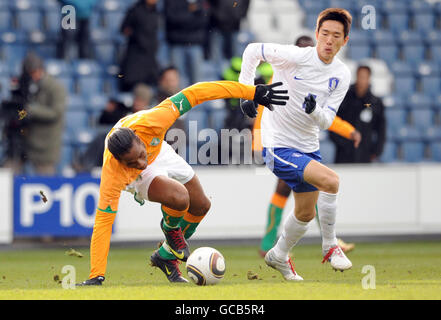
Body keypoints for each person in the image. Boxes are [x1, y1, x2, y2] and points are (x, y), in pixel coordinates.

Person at [76, 80, 289, 285]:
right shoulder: (115, 172)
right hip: (136, 177)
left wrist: (251, 92)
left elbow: (197, 92)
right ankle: (170, 230)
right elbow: (103, 222)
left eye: (140, 155)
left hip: (159, 149)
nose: (141, 163)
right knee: (179, 197)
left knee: (202, 205)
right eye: (133, 161)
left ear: (139, 138)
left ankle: (166, 255)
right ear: (122, 162)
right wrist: (97, 274)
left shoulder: (155, 120)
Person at [239, 8, 354, 280]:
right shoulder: (296, 56)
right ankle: (330, 246)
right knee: (331, 181)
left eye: (336, 36)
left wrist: (314, 111)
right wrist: (247, 92)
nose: (329, 40)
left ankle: (278, 256)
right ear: (316, 34)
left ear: (344, 41)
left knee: (303, 214)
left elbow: (327, 120)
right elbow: (252, 50)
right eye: (324, 33)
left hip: (307, 147)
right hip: (277, 146)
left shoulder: (341, 74)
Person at [257, 36, 359, 257]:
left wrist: (348, 130)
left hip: (301, 146)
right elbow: (264, 112)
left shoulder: (314, 81)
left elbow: (325, 116)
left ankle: (271, 245)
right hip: (281, 144)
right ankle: (275, 244)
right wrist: (259, 143)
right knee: (297, 189)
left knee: (301, 193)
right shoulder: (283, 73)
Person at [8, 53, 66, 175]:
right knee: (10, 171)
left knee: (45, 183)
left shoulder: (55, 87)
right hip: (27, 140)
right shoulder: (29, 85)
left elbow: (56, 113)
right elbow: (22, 108)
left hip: (45, 145)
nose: (32, 76)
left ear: (41, 70)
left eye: (34, 72)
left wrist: (30, 110)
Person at [330, 65, 386, 163]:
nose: (362, 80)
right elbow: (333, 122)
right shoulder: (343, 100)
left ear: (369, 78)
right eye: (360, 76)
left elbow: (381, 129)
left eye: (365, 77)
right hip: (343, 154)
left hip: (365, 154)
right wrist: (342, 144)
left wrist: (376, 151)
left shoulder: (375, 103)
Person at [164, 0, 209, 86]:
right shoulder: (172, 2)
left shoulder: (199, 2)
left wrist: (184, 16)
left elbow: (204, 19)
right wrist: (191, 16)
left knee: (197, 81)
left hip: (195, 43)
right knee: (177, 82)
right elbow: (171, 18)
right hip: (177, 43)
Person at [119, 0, 159, 92]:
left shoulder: (156, 11)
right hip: (136, 56)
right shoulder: (135, 10)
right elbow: (124, 29)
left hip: (150, 57)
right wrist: (137, 36)